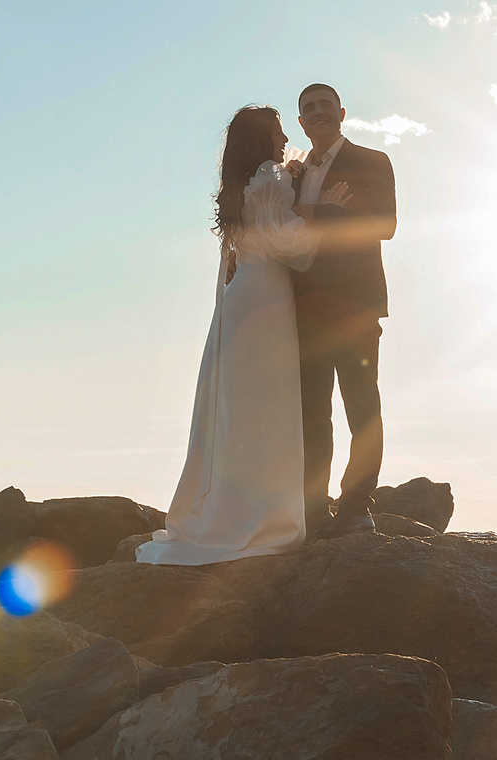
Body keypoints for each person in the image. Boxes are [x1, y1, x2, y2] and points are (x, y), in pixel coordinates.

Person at [136, 106, 352, 565]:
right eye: (277, 133)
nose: (283, 139)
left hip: (243, 301)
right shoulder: (270, 177)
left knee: (243, 405)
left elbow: (257, 232)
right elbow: (290, 245)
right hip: (265, 304)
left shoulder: (244, 183)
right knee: (267, 403)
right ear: (263, 140)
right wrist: (324, 213)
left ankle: (238, 507)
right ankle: (262, 517)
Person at [289, 83, 397, 538]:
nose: (318, 113)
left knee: (361, 409)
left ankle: (356, 508)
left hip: (354, 306)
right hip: (304, 310)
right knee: (311, 413)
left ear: (341, 112)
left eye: (325, 105)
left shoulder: (372, 162)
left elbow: (385, 225)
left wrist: (320, 213)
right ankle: (314, 512)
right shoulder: (294, 176)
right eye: (308, 108)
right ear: (300, 122)